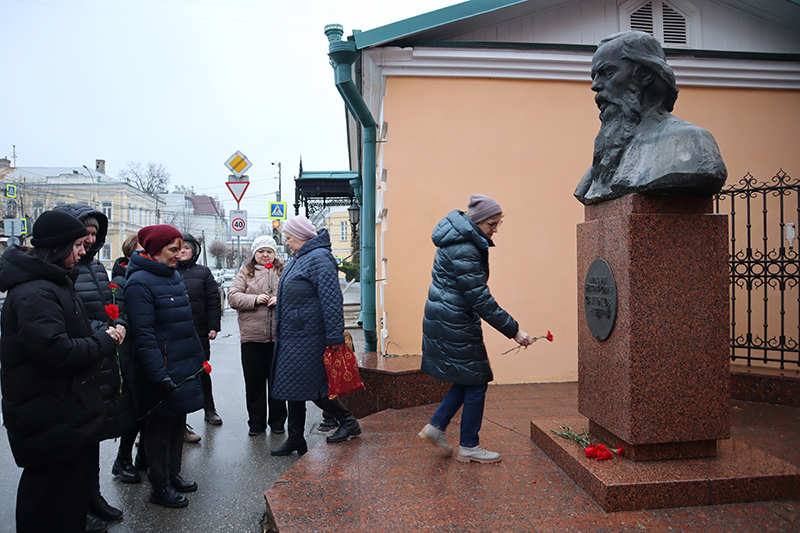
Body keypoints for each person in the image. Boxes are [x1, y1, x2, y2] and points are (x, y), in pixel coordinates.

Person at [0, 210, 122, 533]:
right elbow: (56, 351)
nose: (84, 251)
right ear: (57, 247)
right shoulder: (36, 292)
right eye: (78, 245)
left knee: (65, 502)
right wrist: (105, 341)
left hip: (61, 412)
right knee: (48, 505)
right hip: (47, 415)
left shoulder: (53, 283)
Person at [417, 194, 533, 464]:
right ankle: (469, 445)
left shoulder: (459, 238)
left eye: (498, 223)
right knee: (477, 379)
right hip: (454, 318)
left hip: (447, 314)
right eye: (492, 224)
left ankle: (436, 427)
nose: (495, 230)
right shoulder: (466, 247)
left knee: (469, 376)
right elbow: (479, 297)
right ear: (477, 221)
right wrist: (514, 330)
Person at [573, 30, 727, 205]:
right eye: (594, 77)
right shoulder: (605, 160)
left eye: (608, 72)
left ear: (645, 74)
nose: (595, 86)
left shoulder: (690, 141)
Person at [53, 204, 130, 531]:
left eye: (94, 233)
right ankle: (75, 505)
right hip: (81, 356)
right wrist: (105, 331)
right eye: (84, 232)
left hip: (100, 358)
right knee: (75, 439)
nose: (89, 238)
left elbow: (109, 305)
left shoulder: (96, 267)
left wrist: (120, 322)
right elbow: (70, 320)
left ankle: (92, 495)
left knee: (93, 433)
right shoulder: (60, 271)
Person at [124, 225, 206, 508]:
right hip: (160, 368)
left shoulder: (172, 275)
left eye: (181, 249)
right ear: (155, 251)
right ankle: (159, 486)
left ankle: (173, 475)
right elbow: (143, 334)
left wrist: (198, 357)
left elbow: (186, 324)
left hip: (182, 363)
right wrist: (158, 373)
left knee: (177, 422)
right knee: (158, 427)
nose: (179, 255)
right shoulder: (139, 282)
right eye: (173, 250)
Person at [270, 216, 361, 456]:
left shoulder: (319, 258)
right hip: (294, 336)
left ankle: (348, 422)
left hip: (310, 337)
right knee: (293, 388)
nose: (286, 242)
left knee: (314, 388)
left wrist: (335, 338)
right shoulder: (301, 257)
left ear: (301, 236)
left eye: (289, 237)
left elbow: (331, 300)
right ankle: (296, 438)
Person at [228, 234, 287, 437]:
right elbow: (233, 297)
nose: (265, 255)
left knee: (278, 382)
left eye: (269, 251)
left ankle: (278, 422)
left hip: (278, 338)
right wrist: (255, 299)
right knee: (254, 384)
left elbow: (294, 295)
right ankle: (256, 423)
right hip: (252, 338)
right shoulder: (246, 271)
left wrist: (280, 299)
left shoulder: (283, 270)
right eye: (261, 251)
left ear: (274, 253)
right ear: (255, 253)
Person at [177, 232, 223, 440]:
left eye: (187, 248)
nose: (182, 251)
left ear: (194, 251)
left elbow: (213, 301)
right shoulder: (168, 271)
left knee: (202, 371)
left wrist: (213, 326)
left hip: (199, 331)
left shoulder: (203, 272)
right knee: (178, 375)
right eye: (178, 248)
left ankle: (209, 409)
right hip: (176, 333)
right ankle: (180, 421)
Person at [109, 234, 146, 484]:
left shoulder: (146, 276)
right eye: (141, 251)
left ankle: (143, 456)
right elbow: (119, 316)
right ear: (129, 254)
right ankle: (122, 459)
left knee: (146, 405)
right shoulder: (120, 281)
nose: (145, 255)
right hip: (128, 350)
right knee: (132, 406)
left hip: (146, 348)